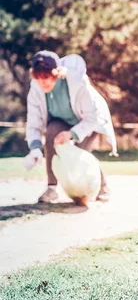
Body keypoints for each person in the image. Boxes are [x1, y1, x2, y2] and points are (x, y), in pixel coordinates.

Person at [24, 50, 118, 203]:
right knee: (51, 134)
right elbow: (34, 122)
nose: (43, 82)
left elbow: (91, 118)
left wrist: (71, 134)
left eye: (46, 76)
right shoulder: (35, 89)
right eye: (38, 77)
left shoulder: (77, 82)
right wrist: (34, 148)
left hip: (88, 120)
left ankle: (103, 186)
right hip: (61, 122)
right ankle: (52, 189)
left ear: (56, 73)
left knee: (81, 153)